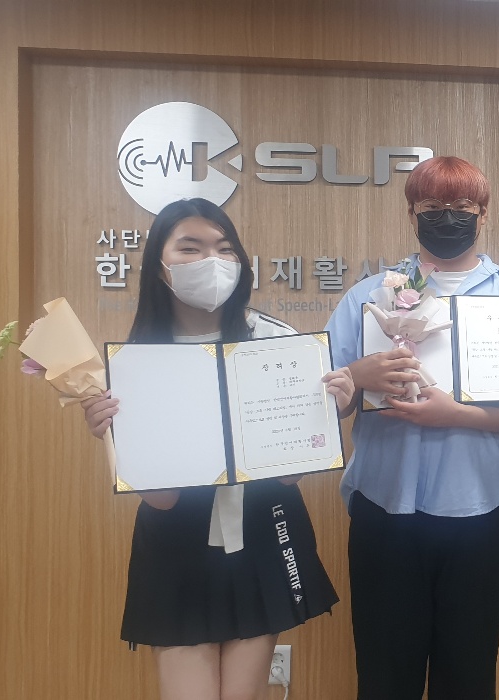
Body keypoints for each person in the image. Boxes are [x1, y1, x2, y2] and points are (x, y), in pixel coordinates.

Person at [77, 198, 346, 700]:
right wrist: (113, 437)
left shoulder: (275, 340)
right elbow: (161, 499)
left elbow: (288, 474)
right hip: (176, 541)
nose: (212, 261)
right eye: (190, 248)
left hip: (261, 529)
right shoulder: (138, 360)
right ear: (159, 264)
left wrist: (325, 413)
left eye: (224, 248)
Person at [323, 156, 499, 699]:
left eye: (462, 206)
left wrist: (452, 413)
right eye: (433, 206)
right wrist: (358, 377)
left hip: (480, 508)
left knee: (468, 671)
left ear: (483, 214)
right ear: (412, 214)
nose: (448, 216)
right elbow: (329, 403)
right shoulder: (369, 296)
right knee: (385, 676)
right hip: (385, 506)